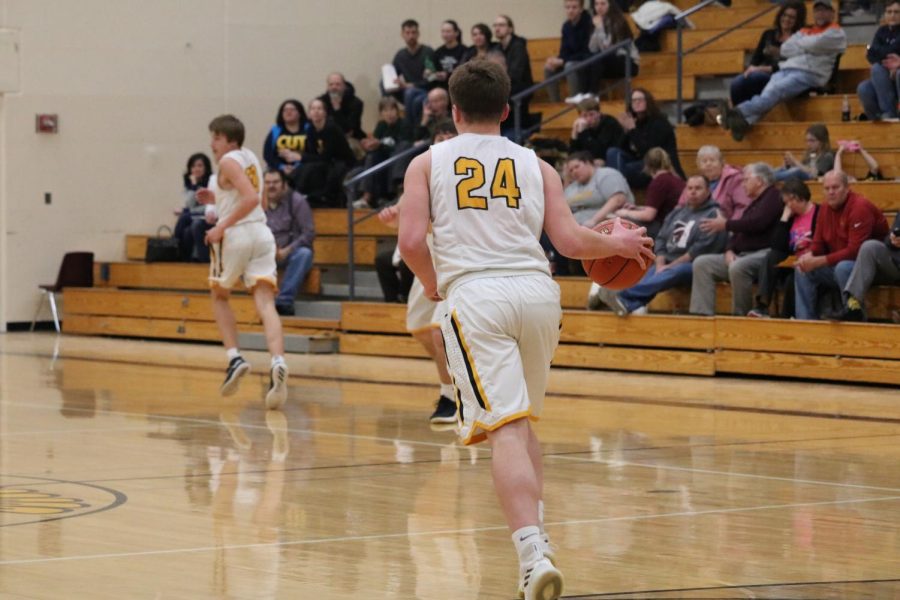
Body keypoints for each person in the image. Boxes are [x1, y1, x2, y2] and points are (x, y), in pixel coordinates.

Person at [398, 60, 653, 600]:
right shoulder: (538, 164)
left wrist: (433, 283)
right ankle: (538, 533)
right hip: (538, 294)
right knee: (523, 422)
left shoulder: (427, 162)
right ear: (508, 110)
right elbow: (568, 242)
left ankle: (533, 553)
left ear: (455, 109)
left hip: (477, 295)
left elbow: (412, 242)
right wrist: (618, 246)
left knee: (507, 429)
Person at [197, 115, 288, 410]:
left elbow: (248, 199)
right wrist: (217, 196)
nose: (212, 144)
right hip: (262, 234)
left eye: (216, 138)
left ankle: (234, 357)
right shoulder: (251, 159)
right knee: (265, 302)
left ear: (229, 139)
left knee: (219, 295)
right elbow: (256, 201)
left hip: (236, 235)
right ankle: (278, 361)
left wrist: (221, 227)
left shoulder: (226, 162)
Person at [589, 175, 727, 315]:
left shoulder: (714, 215)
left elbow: (698, 250)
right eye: (690, 188)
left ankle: (621, 297)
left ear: (708, 191)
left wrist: (668, 267)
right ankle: (623, 302)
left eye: (698, 188)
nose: (693, 191)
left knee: (673, 272)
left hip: (691, 265)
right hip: (666, 261)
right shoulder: (677, 212)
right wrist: (661, 262)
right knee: (648, 270)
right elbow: (661, 238)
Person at [721, 0, 846, 141]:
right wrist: (807, 46)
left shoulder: (836, 32)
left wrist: (801, 45)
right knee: (767, 94)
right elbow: (786, 49)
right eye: (818, 11)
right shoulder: (806, 30)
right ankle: (744, 123)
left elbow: (813, 43)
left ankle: (737, 112)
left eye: (824, 10)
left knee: (775, 91)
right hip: (787, 69)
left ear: (832, 13)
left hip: (810, 74)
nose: (820, 14)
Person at [689, 163, 783, 316]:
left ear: (759, 181)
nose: (743, 184)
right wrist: (729, 249)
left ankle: (739, 318)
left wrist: (726, 224)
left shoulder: (774, 196)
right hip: (743, 253)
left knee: (738, 267)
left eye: (746, 180)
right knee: (702, 263)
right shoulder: (754, 203)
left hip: (764, 254)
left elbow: (758, 223)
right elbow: (740, 233)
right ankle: (702, 316)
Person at [794, 170, 890, 320]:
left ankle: (855, 319)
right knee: (802, 269)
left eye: (835, 187)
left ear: (847, 188)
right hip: (840, 264)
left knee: (843, 267)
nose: (831, 192)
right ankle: (806, 323)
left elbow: (855, 251)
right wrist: (809, 257)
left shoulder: (860, 207)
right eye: (827, 188)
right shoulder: (825, 208)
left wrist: (819, 261)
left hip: (870, 269)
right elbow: (818, 244)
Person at [747, 178, 819, 318]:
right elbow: (777, 245)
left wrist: (809, 243)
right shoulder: (791, 216)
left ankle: (788, 317)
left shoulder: (819, 212)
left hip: (811, 260)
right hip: (792, 259)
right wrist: (784, 218)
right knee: (771, 256)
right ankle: (761, 307)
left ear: (796, 198)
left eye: (787, 202)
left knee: (791, 280)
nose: (786, 206)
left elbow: (825, 239)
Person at [729, 1, 806, 105]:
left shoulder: (799, 39)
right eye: (784, 15)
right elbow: (755, 59)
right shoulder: (768, 34)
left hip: (781, 76)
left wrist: (760, 69)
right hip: (761, 74)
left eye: (792, 17)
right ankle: (739, 113)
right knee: (738, 83)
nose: (786, 19)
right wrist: (750, 70)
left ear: (798, 20)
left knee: (749, 81)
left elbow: (788, 66)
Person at [606, 88, 684, 188]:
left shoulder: (659, 122)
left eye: (640, 99)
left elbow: (649, 152)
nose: (637, 102)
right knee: (612, 152)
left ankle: (617, 191)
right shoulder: (634, 122)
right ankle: (618, 190)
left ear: (648, 101)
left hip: (659, 164)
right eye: (634, 100)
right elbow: (621, 149)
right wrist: (625, 132)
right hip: (640, 164)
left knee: (624, 169)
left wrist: (632, 130)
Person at [263, 170, 315, 316]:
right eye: (267, 183)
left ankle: (284, 301)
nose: (271, 186)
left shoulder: (297, 201)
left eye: (275, 182)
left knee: (304, 254)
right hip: (265, 253)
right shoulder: (258, 204)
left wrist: (287, 250)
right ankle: (258, 300)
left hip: (290, 253)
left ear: (284, 185)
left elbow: (309, 233)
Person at [289, 98, 357, 208]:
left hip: (341, 162)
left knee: (314, 168)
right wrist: (300, 158)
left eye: (319, 108)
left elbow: (326, 156)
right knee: (301, 169)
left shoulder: (331, 128)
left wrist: (300, 157)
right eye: (313, 109)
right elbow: (311, 153)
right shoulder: (311, 129)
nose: (316, 111)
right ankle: (299, 197)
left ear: (325, 112)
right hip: (325, 161)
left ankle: (317, 198)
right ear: (309, 113)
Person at [832, 213, 900, 321]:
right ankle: (853, 308)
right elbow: (888, 239)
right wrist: (893, 240)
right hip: (892, 264)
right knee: (844, 268)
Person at [356, 96, 414, 209]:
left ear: (397, 111)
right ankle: (366, 197)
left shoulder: (404, 124)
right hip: (384, 159)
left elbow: (403, 145)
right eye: (385, 110)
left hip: (399, 159)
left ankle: (399, 194)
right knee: (372, 156)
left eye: (392, 110)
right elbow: (377, 144)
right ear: (381, 113)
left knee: (397, 155)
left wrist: (380, 144)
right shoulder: (381, 126)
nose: (389, 114)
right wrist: (368, 145)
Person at [616, 147, 683, 238]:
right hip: (677, 224)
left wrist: (625, 213)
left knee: (622, 221)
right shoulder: (675, 178)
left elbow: (648, 215)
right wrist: (638, 208)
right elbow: (660, 208)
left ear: (647, 165)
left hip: (666, 228)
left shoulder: (659, 182)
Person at [675, 146, 752, 220]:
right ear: (698, 165)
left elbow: (742, 206)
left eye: (712, 160)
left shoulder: (734, 178)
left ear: (722, 163)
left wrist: (730, 226)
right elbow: (681, 206)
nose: (708, 164)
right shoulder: (695, 182)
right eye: (704, 161)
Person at [563, 151, 634, 227]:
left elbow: (618, 199)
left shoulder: (606, 174)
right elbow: (562, 206)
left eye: (577, 167)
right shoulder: (573, 186)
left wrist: (592, 221)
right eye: (571, 171)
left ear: (588, 163)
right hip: (576, 228)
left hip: (608, 226)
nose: (574, 172)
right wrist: (566, 178)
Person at [857, 0, 900, 121]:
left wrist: (881, 53)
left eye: (896, 12)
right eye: (889, 12)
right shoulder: (882, 31)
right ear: (885, 14)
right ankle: (877, 119)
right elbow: (870, 55)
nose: (892, 15)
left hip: (897, 75)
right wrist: (887, 58)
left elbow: (884, 50)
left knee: (878, 68)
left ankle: (889, 113)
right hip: (885, 76)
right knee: (863, 88)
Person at [544, 0, 593, 103]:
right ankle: (555, 103)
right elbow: (564, 51)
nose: (570, 11)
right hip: (570, 60)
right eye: (568, 7)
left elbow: (587, 52)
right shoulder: (566, 26)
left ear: (580, 9)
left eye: (574, 7)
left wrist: (563, 61)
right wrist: (556, 60)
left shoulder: (588, 23)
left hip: (586, 62)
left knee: (569, 66)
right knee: (548, 68)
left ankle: (575, 100)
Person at [586, 0, 640, 93]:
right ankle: (586, 95)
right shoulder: (596, 21)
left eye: (603, 4)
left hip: (628, 62)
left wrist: (599, 28)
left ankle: (592, 94)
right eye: (596, 4)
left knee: (598, 60)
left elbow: (609, 48)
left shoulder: (618, 21)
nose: (599, 7)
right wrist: (596, 29)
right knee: (588, 61)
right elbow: (592, 48)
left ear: (610, 5)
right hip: (609, 60)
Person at [390, 19, 435, 126]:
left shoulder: (427, 52)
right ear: (402, 34)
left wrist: (410, 85)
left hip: (426, 90)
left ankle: (410, 127)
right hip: (407, 91)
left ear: (418, 34)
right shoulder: (400, 55)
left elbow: (432, 79)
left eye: (414, 33)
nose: (411, 36)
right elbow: (393, 74)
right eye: (407, 33)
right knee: (384, 83)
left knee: (410, 93)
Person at [174, 152, 216, 263]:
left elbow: (210, 205)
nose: (196, 169)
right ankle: (185, 258)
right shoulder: (190, 184)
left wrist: (187, 211)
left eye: (199, 165)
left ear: (206, 168)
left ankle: (175, 248)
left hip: (208, 215)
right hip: (196, 215)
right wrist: (193, 186)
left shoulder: (211, 182)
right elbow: (189, 203)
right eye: (193, 166)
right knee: (187, 230)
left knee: (184, 217)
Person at [568, 96, 625, 161]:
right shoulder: (582, 126)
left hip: (615, 158)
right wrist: (574, 134)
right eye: (584, 115)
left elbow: (599, 152)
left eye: (591, 114)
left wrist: (585, 133)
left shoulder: (609, 123)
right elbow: (572, 156)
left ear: (599, 113)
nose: (588, 119)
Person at [262, 99, 308, 176]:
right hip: (279, 169)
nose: (288, 112)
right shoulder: (275, 130)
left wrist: (297, 166)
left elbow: (314, 153)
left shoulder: (308, 129)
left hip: (304, 168)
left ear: (300, 113)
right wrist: (281, 167)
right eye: (285, 110)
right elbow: (267, 154)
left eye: (292, 109)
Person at [317, 73, 366, 141]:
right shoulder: (320, 102)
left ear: (344, 86)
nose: (334, 87)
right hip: (326, 137)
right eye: (331, 84)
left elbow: (348, 130)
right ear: (327, 87)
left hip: (351, 138)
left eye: (338, 84)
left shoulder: (356, 103)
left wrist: (337, 109)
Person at [432, 20, 468, 86]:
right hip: (441, 86)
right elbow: (433, 70)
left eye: (448, 31)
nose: (445, 34)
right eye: (443, 31)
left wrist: (447, 75)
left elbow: (464, 71)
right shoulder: (438, 51)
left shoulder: (464, 51)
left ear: (456, 33)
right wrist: (431, 73)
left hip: (458, 85)